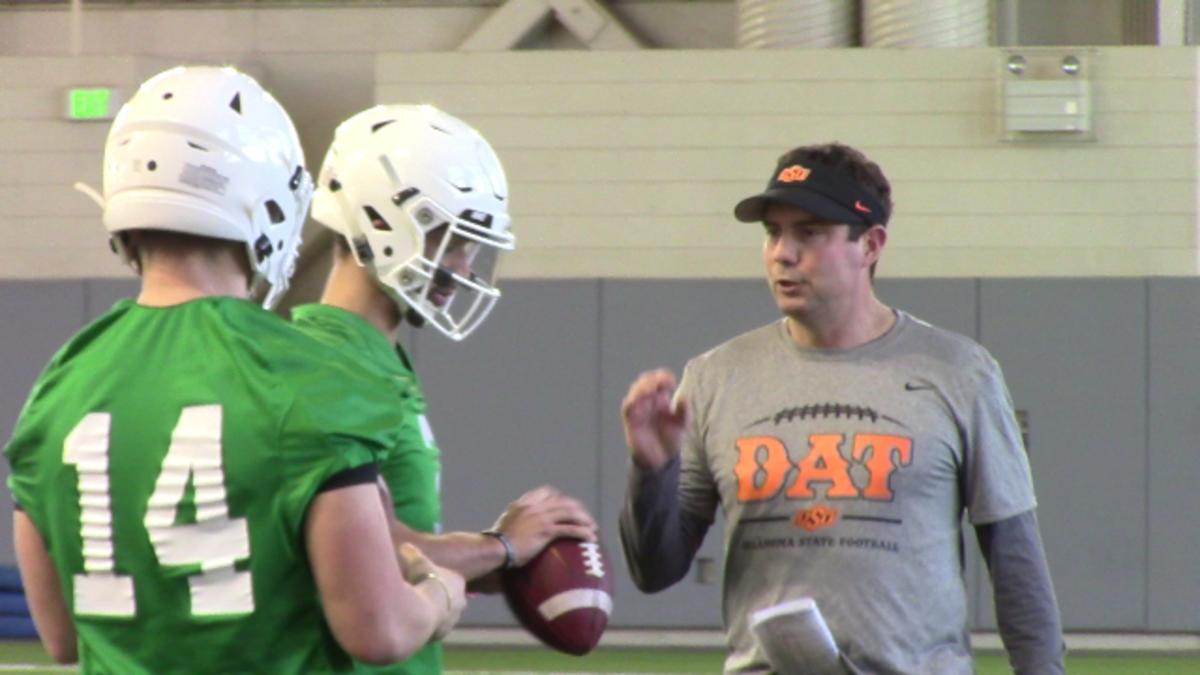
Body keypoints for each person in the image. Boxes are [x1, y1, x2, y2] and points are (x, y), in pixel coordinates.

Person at [5, 66, 466, 674]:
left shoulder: (58, 389)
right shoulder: (311, 378)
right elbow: (377, 631)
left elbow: (62, 639)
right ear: (268, 202)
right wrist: (438, 593)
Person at [618, 142, 1065, 674]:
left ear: (870, 244)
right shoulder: (715, 378)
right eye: (773, 233)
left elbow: (1015, 561)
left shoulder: (959, 372)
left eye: (809, 233)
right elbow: (655, 569)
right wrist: (652, 470)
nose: (783, 252)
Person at [294, 104, 599, 674]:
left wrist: (511, 556)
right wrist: (502, 547)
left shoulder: (373, 359)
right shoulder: (330, 366)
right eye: (452, 241)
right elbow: (375, 551)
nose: (464, 267)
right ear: (384, 224)